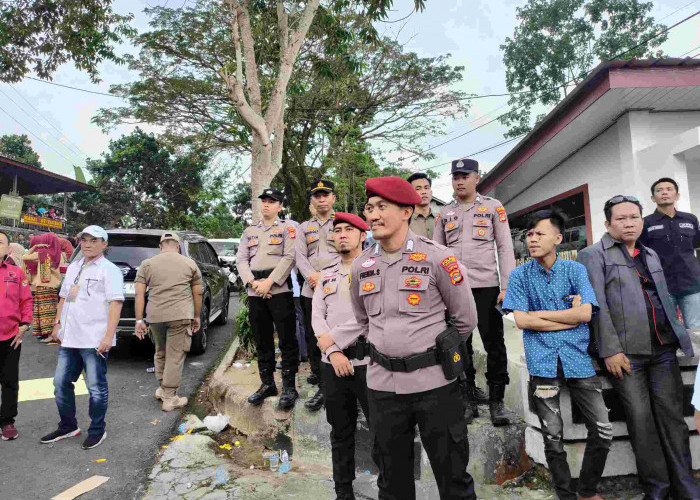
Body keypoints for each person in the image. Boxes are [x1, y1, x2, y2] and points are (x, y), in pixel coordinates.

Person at [350, 176, 478, 500]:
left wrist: (428, 356)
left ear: (407, 211)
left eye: (382, 207)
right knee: (392, 484)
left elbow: (465, 320)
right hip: (382, 389)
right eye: (369, 208)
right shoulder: (360, 266)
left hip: (435, 387)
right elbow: (363, 322)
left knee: (454, 480)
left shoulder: (438, 258)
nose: (373, 214)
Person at [578, 196, 698, 499]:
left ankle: (686, 490)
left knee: (674, 422)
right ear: (607, 224)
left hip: (663, 348)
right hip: (627, 354)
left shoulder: (650, 253)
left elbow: (664, 297)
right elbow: (597, 305)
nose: (629, 223)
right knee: (642, 425)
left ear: (642, 220)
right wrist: (610, 350)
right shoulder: (593, 254)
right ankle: (656, 490)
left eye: (634, 217)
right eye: (621, 218)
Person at [502, 210, 611, 500]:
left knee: (603, 429)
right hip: (543, 364)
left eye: (540, 233)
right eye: (530, 234)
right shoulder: (519, 276)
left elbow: (586, 313)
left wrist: (543, 315)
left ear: (558, 238)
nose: (533, 239)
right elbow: (522, 321)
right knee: (553, 438)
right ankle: (565, 495)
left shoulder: (575, 271)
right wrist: (568, 317)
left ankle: (587, 490)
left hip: (578, 360)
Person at [434, 158, 516, 426]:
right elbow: (437, 254)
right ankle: (467, 398)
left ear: (476, 178)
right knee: (459, 345)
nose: (459, 180)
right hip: (456, 290)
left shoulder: (493, 207)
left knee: (494, 344)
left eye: (465, 175)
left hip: (488, 287)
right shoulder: (444, 213)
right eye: (455, 176)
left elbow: (505, 247)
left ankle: (496, 401)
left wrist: (507, 285)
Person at [41, 226, 124, 450]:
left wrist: (109, 336)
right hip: (69, 338)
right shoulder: (75, 266)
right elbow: (64, 297)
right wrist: (57, 324)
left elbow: (116, 303)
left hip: (94, 340)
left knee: (96, 388)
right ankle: (68, 426)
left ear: (104, 244)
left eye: (93, 240)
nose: (87, 244)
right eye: (84, 240)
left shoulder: (110, 270)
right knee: (60, 383)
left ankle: (97, 430)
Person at [312, 212, 372, 500]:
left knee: (384, 430)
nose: (342, 234)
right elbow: (317, 319)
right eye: (337, 230)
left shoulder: (375, 270)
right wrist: (334, 352)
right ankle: (343, 492)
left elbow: (369, 317)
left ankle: (389, 487)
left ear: (363, 235)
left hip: (369, 363)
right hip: (332, 364)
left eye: (350, 229)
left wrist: (332, 339)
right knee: (340, 431)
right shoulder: (326, 275)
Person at [236, 188, 299, 410]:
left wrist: (269, 282)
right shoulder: (250, 231)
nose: (266, 205)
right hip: (255, 291)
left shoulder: (287, 228)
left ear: (280, 206)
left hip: (279, 290)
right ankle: (268, 384)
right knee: (262, 339)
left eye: (272, 202)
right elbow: (241, 259)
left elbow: (290, 256)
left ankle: (289, 388)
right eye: (264, 201)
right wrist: (254, 283)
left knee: (286, 339)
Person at [133, 232, 203, 412]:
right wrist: (196, 316)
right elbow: (198, 293)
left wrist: (139, 320)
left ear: (161, 246)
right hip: (180, 315)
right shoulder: (189, 263)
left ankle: (162, 388)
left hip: (155, 316)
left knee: (161, 350)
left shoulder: (147, 264)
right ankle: (170, 397)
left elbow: (139, 294)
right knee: (175, 355)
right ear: (178, 246)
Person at [296, 179, 340, 412]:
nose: (322, 199)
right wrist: (312, 277)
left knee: (336, 334)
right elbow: (299, 256)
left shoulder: (343, 223)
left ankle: (338, 380)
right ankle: (322, 383)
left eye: (326, 195)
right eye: (317, 195)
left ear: (333, 198)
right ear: (312, 200)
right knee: (314, 337)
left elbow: (350, 252)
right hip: (310, 290)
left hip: (337, 288)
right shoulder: (303, 228)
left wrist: (325, 276)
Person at [640, 177, 700, 342]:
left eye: (669, 189)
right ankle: (672, 365)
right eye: (659, 190)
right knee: (666, 328)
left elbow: (696, 246)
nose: (664, 192)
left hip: (692, 283)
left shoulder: (690, 219)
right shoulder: (645, 223)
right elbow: (640, 252)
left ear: (677, 195)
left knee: (696, 330)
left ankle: (695, 366)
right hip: (661, 285)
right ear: (653, 198)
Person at [0, 231, 32, 441]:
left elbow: (26, 300)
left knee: (10, 381)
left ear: (8, 249)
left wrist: (25, 324)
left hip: (10, 336)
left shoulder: (16, 273)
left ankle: (7, 421)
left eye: (0, 242)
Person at [23, 233, 65, 343]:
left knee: (43, 312)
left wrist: (34, 247)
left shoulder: (42, 253)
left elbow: (25, 257)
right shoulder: (60, 254)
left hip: (43, 286)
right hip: (53, 286)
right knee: (50, 311)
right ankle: (48, 333)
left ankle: (49, 335)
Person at [407, 172, 439, 239]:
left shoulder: (441, 218)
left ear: (431, 192)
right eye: (418, 189)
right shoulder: (405, 221)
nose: (423, 192)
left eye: (426, 188)